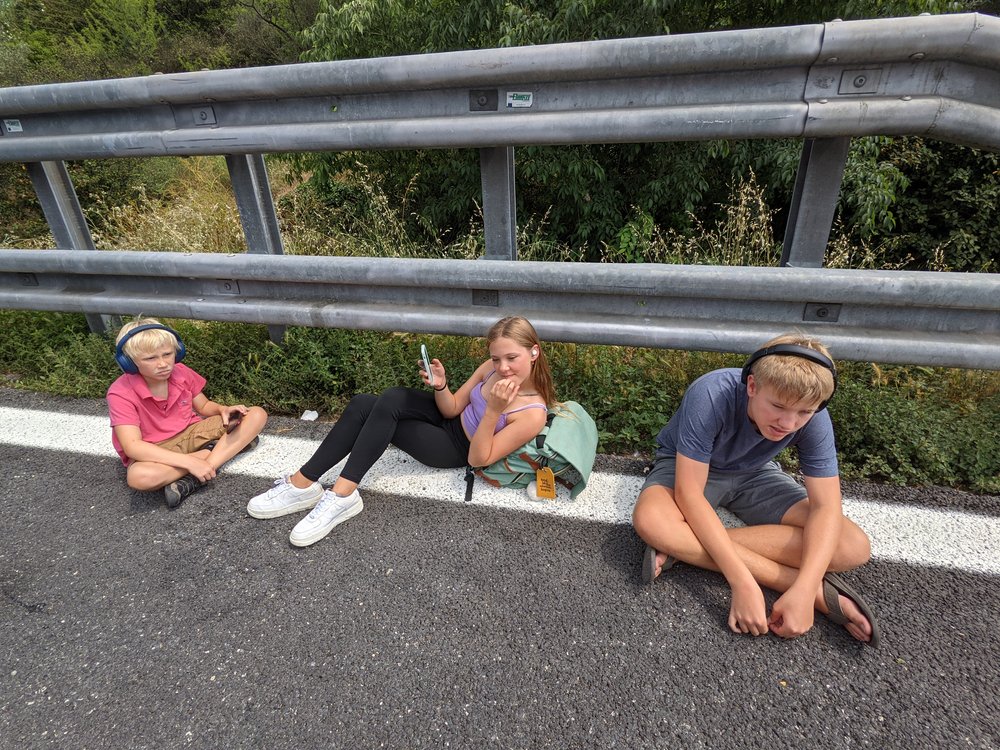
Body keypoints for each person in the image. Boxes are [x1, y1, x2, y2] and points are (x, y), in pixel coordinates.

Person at [631, 333, 881, 647]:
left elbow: (826, 508)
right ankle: (822, 594)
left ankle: (682, 550)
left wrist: (801, 592)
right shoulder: (712, 392)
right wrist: (748, 581)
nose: (789, 423)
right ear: (751, 386)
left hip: (755, 475)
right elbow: (689, 494)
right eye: (777, 406)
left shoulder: (813, 416)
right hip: (690, 467)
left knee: (852, 545)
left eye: (804, 413)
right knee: (652, 521)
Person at [248, 316, 556, 547]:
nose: (502, 367)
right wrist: (442, 386)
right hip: (448, 420)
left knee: (382, 415)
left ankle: (342, 496)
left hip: (457, 447)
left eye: (511, 358)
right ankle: (303, 483)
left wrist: (493, 411)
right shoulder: (488, 369)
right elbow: (452, 408)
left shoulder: (531, 413)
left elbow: (478, 459)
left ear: (533, 353)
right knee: (367, 402)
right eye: (496, 358)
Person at [107, 318, 267, 508]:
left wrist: (222, 409)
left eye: (167, 354)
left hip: (191, 433)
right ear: (129, 362)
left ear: (177, 352)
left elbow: (204, 406)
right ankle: (217, 451)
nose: (163, 363)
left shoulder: (180, 372)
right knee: (138, 477)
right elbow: (133, 447)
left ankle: (199, 475)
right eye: (150, 358)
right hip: (155, 450)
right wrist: (190, 463)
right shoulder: (120, 393)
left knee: (255, 414)